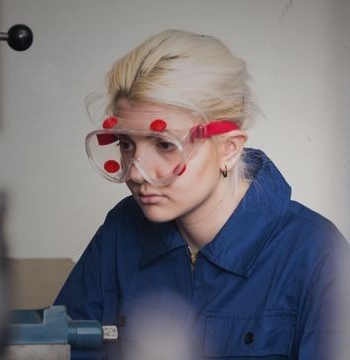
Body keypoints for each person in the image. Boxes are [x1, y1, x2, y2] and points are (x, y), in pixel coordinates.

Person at [54, 29, 348, 360]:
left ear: (229, 149)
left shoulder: (317, 254)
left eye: (165, 145)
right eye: (126, 144)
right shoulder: (120, 232)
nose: (135, 173)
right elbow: (64, 346)